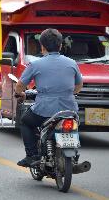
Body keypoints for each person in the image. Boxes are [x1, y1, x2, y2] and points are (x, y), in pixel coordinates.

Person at [14, 28, 83, 167]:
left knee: (25, 122)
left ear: (42, 46)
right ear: (60, 45)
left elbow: (20, 85)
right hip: (69, 109)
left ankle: (32, 155)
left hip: (44, 109)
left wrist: (19, 93)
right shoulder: (72, 63)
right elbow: (78, 86)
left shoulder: (36, 64)